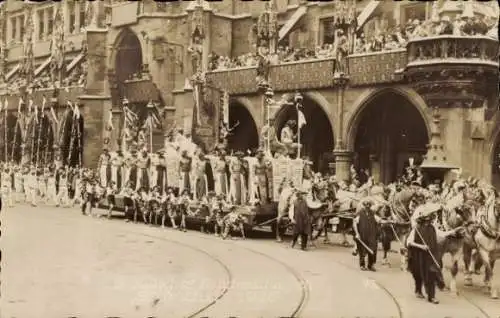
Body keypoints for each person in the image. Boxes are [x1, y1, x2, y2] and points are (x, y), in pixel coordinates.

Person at [406, 203, 448, 304]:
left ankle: (431, 296)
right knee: (418, 274)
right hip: (419, 256)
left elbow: (441, 234)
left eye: (432, 216)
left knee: (431, 274)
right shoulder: (416, 229)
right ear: (425, 217)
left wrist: (453, 232)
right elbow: (409, 242)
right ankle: (418, 290)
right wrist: (421, 246)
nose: (432, 217)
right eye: (430, 215)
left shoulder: (433, 228)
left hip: (430, 256)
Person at [353, 197, 381, 271]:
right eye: (366, 205)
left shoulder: (373, 213)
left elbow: (379, 220)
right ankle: (362, 265)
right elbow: (355, 223)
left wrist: (388, 222)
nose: (367, 206)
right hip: (363, 234)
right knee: (362, 250)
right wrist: (357, 233)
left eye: (369, 205)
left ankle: (370, 265)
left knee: (373, 249)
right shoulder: (360, 213)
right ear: (364, 205)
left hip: (371, 235)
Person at [290, 186, 311, 251]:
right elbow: (291, 211)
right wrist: (292, 219)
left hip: (305, 219)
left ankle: (303, 246)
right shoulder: (294, 202)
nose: (305, 196)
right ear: (299, 195)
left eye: (305, 194)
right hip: (298, 219)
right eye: (303, 194)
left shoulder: (306, 202)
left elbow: (309, 210)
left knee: (305, 233)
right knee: (296, 233)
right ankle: (293, 241)